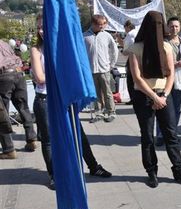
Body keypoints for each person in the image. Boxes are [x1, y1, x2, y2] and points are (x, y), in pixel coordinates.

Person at [31, 15, 112, 189]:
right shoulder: (37, 50)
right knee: (49, 140)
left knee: (79, 136)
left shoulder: (62, 49)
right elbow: (39, 78)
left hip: (65, 99)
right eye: (39, 27)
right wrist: (63, 74)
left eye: (44, 26)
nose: (41, 31)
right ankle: (54, 175)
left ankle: (93, 167)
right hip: (44, 100)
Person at [127, 11, 181, 188]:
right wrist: (154, 97)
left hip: (164, 96)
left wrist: (163, 95)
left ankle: (179, 171)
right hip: (145, 96)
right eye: (153, 25)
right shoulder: (135, 49)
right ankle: (152, 172)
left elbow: (171, 73)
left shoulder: (166, 47)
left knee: (171, 134)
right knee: (147, 136)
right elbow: (137, 78)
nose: (156, 29)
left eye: (159, 25)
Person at [156, 16, 181, 146]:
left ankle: (173, 134)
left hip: (180, 81)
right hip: (165, 82)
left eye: (176, 26)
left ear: (180, 27)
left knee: (176, 109)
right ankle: (160, 135)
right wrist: (174, 65)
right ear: (167, 27)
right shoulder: (162, 43)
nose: (174, 28)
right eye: (171, 26)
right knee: (162, 109)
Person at [0, 40, 38, 159]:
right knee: (23, 107)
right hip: (18, 73)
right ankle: (31, 139)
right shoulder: (3, 43)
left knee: (2, 114)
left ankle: (8, 149)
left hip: (4, 76)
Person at [84, 14, 119, 123]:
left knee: (107, 91)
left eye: (104, 24)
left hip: (104, 69)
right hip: (91, 69)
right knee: (95, 93)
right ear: (93, 24)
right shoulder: (84, 36)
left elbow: (114, 50)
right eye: (100, 24)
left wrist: (112, 64)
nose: (102, 26)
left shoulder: (107, 36)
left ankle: (111, 111)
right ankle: (98, 112)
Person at [117, 20, 138, 105]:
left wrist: (122, 50)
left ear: (128, 27)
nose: (124, 30)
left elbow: (126, 49)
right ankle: (135, 97)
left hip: (132, 58)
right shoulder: (137, 32)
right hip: (139, 57)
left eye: (125, 28)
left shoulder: (130, 34)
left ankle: (133, 98)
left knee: (130, 79)